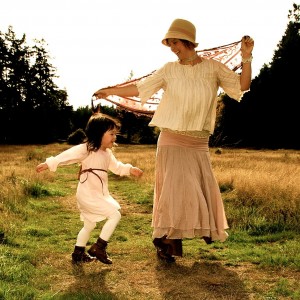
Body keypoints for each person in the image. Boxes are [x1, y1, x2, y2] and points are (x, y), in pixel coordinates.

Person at [93, 18, 254, 263]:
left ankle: (182, 233)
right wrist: (110, 90)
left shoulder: (212, 68)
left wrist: (246, 58)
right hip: (171, 139)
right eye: (170, 44)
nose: (173, 48)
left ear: (188, 41)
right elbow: (140, 87)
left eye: (175, 42)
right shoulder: (169, 69)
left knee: (195, 189)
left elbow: (242, 86)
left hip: (199, 142)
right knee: (174, 191)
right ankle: (165, 240)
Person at [36, 113, 143, 264]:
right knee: (115, 214)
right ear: (99, 133)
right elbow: (68, 155)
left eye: (115, 134)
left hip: (98, 194)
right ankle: (99, 247)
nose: (115, 137)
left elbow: (117, 167)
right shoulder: (88, 149)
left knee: (89, 224)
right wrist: (50, 163)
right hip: (88, 194)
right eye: (111, 134)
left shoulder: (107, 153)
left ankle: (78, 253)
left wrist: (130, 169)